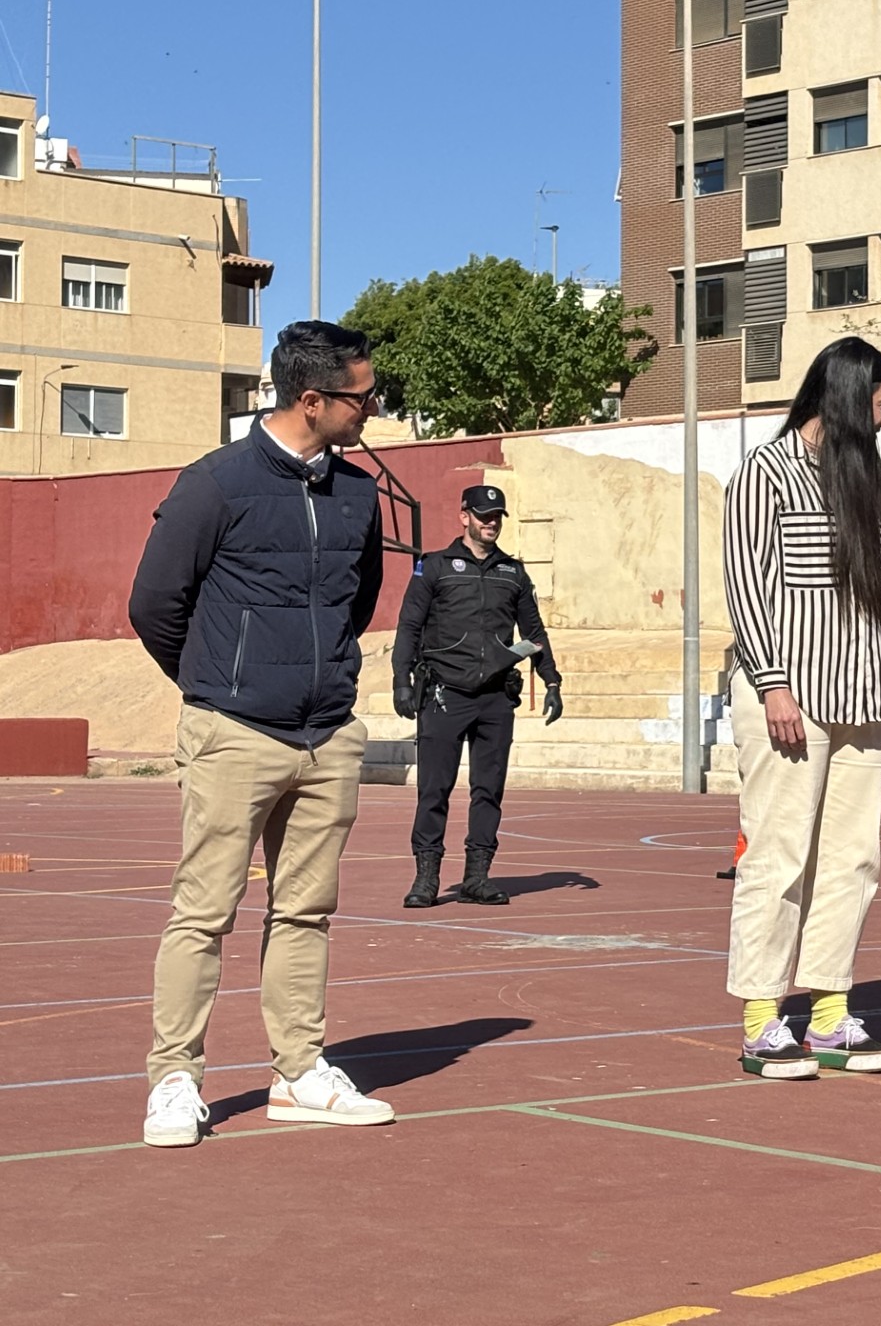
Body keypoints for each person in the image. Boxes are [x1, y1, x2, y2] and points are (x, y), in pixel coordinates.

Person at [128, 321, 395, 1148]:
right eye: (362, 396)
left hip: (327, 736)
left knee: (307, 911)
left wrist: (326, 690)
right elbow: (155, 605)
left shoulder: (359, 494)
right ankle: (174, 1079)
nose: (373, 409)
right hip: (233, 731)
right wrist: (219, 688)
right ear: (311, 400)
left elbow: (358, 603)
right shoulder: (216, 484)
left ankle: (300, 1071)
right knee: (203, 913)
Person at [723, 337, 881, 1079]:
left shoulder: (870, 482)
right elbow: (747, 586)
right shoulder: (764, 475)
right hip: (791, 703)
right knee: (779, 857)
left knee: (852, 859)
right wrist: (773, 683)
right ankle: (762, 1020)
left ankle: (831, 1016)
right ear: (841, 399)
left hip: (867, 698)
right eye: (880, 407)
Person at [391, 484, 563, 908]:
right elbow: (409, 627)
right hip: (445, 694)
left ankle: (477, 876)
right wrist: (402, 680)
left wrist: (552, 681)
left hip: (494, 699)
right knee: (434, 790)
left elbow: (534, 633)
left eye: (498, 516)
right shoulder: (434, 567)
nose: (491, 522)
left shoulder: (513, 573)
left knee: (488, 790)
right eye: (484, 515)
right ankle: (426, 879)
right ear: (463, 516)